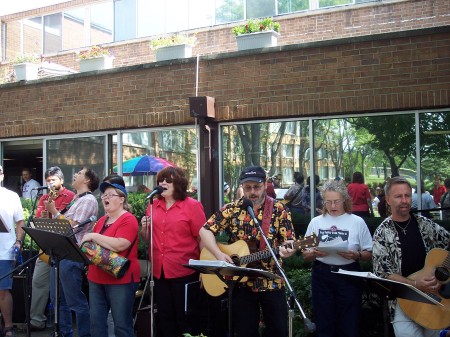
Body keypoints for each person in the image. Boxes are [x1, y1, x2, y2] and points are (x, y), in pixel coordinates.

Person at [199, 165, 296, 337]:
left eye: (257, 187)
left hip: (272, 281)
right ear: (241, 187)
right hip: (240, 283)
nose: (252, 192)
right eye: (247, 187)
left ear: (265, 184)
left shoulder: (279, 210)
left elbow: (289, 241)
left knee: (278, 331)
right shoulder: (232, 209)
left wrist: (288, 250)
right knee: (244, 332)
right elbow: (204, 230)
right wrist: (219, 254)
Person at [372, 176, 450, 337]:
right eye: (398, 196)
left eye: (407, 195)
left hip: (435, 298)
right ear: (388, 200)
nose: (404, 200)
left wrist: (443, 274)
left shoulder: (425, 224)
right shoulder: (382, 232)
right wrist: (414, 283)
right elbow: (383, 273)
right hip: (402, 301)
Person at [140, 166, 207, 337]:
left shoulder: (192, 206)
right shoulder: (153, 205)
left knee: (185, 318)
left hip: (184, 270)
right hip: (160, 271)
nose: (163, 183)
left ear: (178, 183)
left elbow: (203, 238)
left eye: (167, 180)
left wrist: (204, 268)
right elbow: (147, 239)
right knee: (164, 317)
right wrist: (145, 229)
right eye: (160, 181)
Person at [303, 180, 373, 337]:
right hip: (322, 275)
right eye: (328, 202)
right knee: (324, 324)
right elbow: (305, 254)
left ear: (344, 200)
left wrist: (357, 255)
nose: (332, 206)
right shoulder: (316, 222)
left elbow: (369, 253)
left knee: (349, 324)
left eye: (336, 201)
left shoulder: (357, 222)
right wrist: (313, 253)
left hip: (349, 274)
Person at [82, 179, 140, 337]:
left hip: (121, 279)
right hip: (96, 277)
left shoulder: (129, 219)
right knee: (96, 323)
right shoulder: (101, 220)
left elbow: (120, 245)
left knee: (121, 325)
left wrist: (93, 236)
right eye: (103, 195)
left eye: (110, 194)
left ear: (122, 199)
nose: (105, 197)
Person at [46, 167, 99, 337]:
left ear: (87, 181)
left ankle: (84, 334)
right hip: (61, 253)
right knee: (58, 300)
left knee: (75, 301)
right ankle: (64, 333)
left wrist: (54, 211)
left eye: (80, 173)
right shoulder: (77, 199)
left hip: (72, 253)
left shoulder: (88, 200)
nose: (75, 175)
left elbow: (72, 226)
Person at [29, 166, 75, 331]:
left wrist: (52, 211)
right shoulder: (44, 198)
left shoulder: (71, 197)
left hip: (63, 248)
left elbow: (69, 223)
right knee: (38, 281)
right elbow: (37, 220)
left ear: (61, 180)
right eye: (48, 180)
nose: (50, 183)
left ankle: (63, 326)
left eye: (53, 180)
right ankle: (36, 320)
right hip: (46, 247)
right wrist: (41, 218)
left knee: (61, 290)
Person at [0, 165, 25, 337]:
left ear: (2, 175)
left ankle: (8, 326)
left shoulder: (11, 196)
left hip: (4, 250)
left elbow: (20, 222)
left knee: (3, 289)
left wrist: (18, 241)